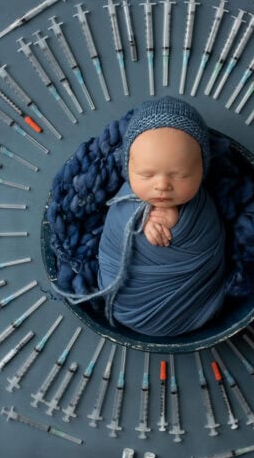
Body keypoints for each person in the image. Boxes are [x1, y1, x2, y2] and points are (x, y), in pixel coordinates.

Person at [95, 96, 226, 337]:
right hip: (129, 301)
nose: (163, 185)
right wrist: (139, 227)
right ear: (128, 169)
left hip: (192, 305)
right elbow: (112, 237)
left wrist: (181, 229)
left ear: (202, 169)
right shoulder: (124, 199)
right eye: (146, 175)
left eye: (181, 175)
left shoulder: (204, 207)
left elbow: (212, 243)